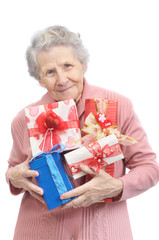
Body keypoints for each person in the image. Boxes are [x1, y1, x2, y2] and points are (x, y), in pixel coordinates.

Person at [6, 25, 159, 240]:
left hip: (105, 232)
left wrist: (117, 186)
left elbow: (149, 167)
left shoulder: (119, 106)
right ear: (39, 80)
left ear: (83, 64)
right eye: (50, 72)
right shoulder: (23, 119)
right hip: (39, 232)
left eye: (68, 66)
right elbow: (14, 169)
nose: (61, 79)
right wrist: (13, 176)